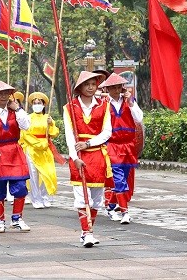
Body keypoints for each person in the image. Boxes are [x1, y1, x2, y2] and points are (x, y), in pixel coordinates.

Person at [63, 71, 111, 248]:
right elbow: (69, 135)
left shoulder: (104, 106)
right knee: (82, 197)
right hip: (78, 155)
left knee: (97, 199)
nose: (91, 87)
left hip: (97, 155)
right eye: (87, 84)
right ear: (79, 87)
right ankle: (87, 232)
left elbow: (107, 132)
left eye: (93, 84)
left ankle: (90, 230)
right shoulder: (69, 107)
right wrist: (74, 157)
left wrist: (89, 143)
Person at [0, 81, 31, 232]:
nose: (3, 96)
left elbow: (26, 125)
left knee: (20, 186)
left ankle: (17, 218)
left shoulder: (15, 112)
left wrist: (18, 109)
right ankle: (0, 220)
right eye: (0, 93)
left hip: (15, 151)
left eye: (6, 93)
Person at [100, 73, 143, 225]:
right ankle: (125, 211)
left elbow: (139, 117)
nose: (117, 90)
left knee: (124, 177)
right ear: (107, 88)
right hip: (112, 145)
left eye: (119, 87)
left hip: (128, 145)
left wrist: (130, 101)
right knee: (118, 178)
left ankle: (111, 206)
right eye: (113, 87)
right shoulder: (103, 103)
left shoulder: (129, 102)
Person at [22, 91, 59, 209]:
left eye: (39, 103)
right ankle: (36, 199)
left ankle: (45, 197)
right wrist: (38, 144)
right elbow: (25, 134)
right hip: (32, 149)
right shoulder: (28, 118)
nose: (37, 104)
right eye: (35, 103)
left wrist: (51, 124)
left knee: (47, 173)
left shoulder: (47, 117)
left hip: (45, 149)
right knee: (33, 175)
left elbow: (54, 133)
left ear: (43, 105)